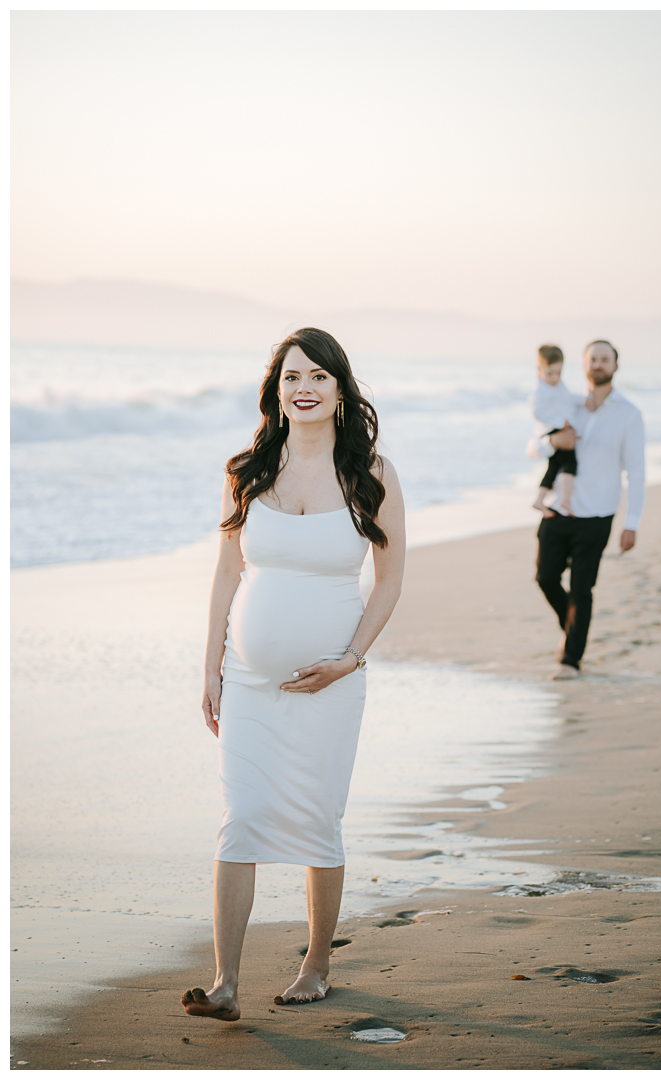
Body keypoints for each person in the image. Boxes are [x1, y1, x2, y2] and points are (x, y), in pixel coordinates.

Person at [181, 328, 405, 1021]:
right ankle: (224, 984)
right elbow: (225, 574)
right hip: (248, 679)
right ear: (275, 392)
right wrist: (211, 668)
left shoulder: (371, 471)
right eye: (290, 377)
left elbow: (392, 578)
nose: (303, 388)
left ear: (341, 391)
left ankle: (317, 963)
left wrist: (351, 657)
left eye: (318, 377)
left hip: (331, 683)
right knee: (240, 818)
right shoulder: (245, 469)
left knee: (317, 820)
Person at [528, 339, 645, 681]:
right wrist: (552, 442)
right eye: (592, 358)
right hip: (557, 511)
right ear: (583, 365)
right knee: (545, 578)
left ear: (615, 366)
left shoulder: (629, 414)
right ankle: (573, 628)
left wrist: (632, 523)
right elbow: (533, 446)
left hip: (598, 515)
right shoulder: (566, 403)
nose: (598, 364)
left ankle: (571, 660)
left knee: (581, 588)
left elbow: (636, 472)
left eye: (604, 359)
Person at [531, 344, 594, 514]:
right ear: (539, 370)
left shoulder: (558, 385)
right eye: (549, 373)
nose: (554, 378)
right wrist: (561, 423)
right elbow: (537, 412)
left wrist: (583, 400)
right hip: (555, 431)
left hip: (559, 430)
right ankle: (565, 500)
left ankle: (539, 500)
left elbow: (568, 398)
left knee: (553, 468)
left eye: (558, 373)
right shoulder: (541, 391)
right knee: (569, 464)